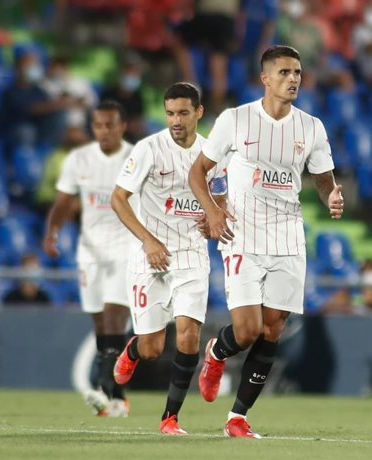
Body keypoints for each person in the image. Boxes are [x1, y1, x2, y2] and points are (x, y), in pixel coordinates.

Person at [188, 45, 344, 438]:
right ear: (266, 78)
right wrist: (212, 210)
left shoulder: (311, 127)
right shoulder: (235, 120)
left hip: (289, 236)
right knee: (246, 330)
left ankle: (237, 418)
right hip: (242, 232)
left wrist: (332, 197)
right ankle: (217, 352)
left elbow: (324, 179)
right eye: (285, 72)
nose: (294, 79)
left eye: (298, 73)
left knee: (273, 329)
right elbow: (198, 172)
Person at [110, 82, 228, 435]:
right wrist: (148, 241)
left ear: (199, 112)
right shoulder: (149, 149)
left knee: (189, 336)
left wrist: (214, 218)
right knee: (152, 348)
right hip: (150, 256)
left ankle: (170, 418)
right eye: (170, 113)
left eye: (183, 113)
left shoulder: (212, 154)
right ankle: (132, 350)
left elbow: (220, 197)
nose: (176, 120)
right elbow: (118, 198)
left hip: (192, 253)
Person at [42, 100, 134, 417]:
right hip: (90, 251)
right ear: (92, 128)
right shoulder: (79, 159)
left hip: (126, 246)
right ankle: (115, 394)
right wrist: (52, 231)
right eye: (98, 125)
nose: (104, 130)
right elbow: (64, 201)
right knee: (100, 323)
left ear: (122, 126)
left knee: (113, 316)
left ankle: (109, 394)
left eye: (110, 124)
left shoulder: (136, 156)